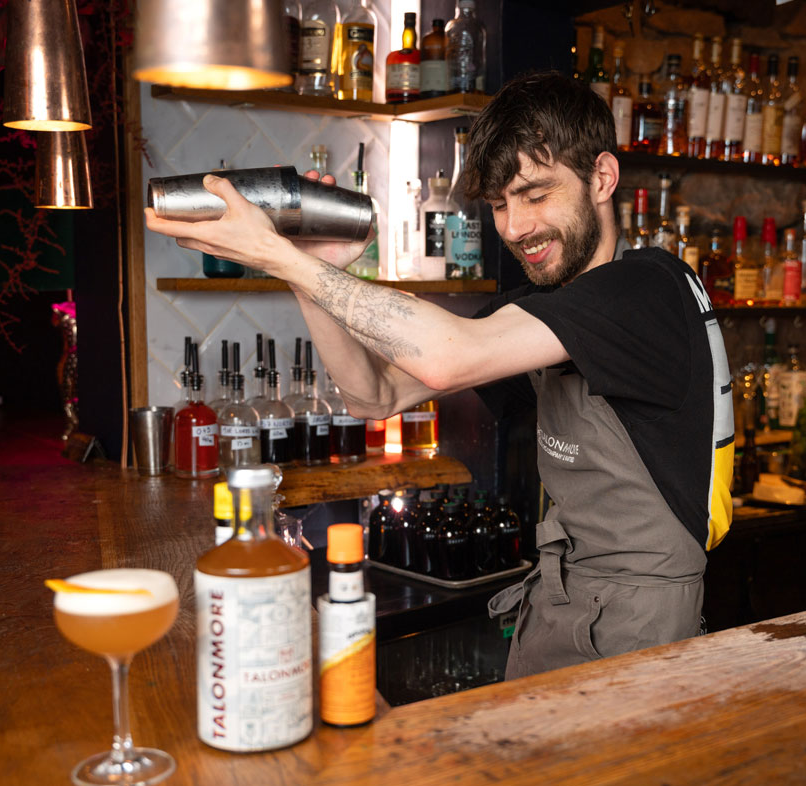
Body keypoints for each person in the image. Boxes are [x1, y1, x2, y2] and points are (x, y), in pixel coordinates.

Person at [145, 71, 734, 680]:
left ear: (602, 178)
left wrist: (274, 253)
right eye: (500, 204)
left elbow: (445, 354)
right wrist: (309, 275)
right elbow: (375, 395)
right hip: (561, 601)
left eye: (535, 195)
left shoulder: (644, 291)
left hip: (639, 625)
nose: (514, 228)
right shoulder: (553, 306)